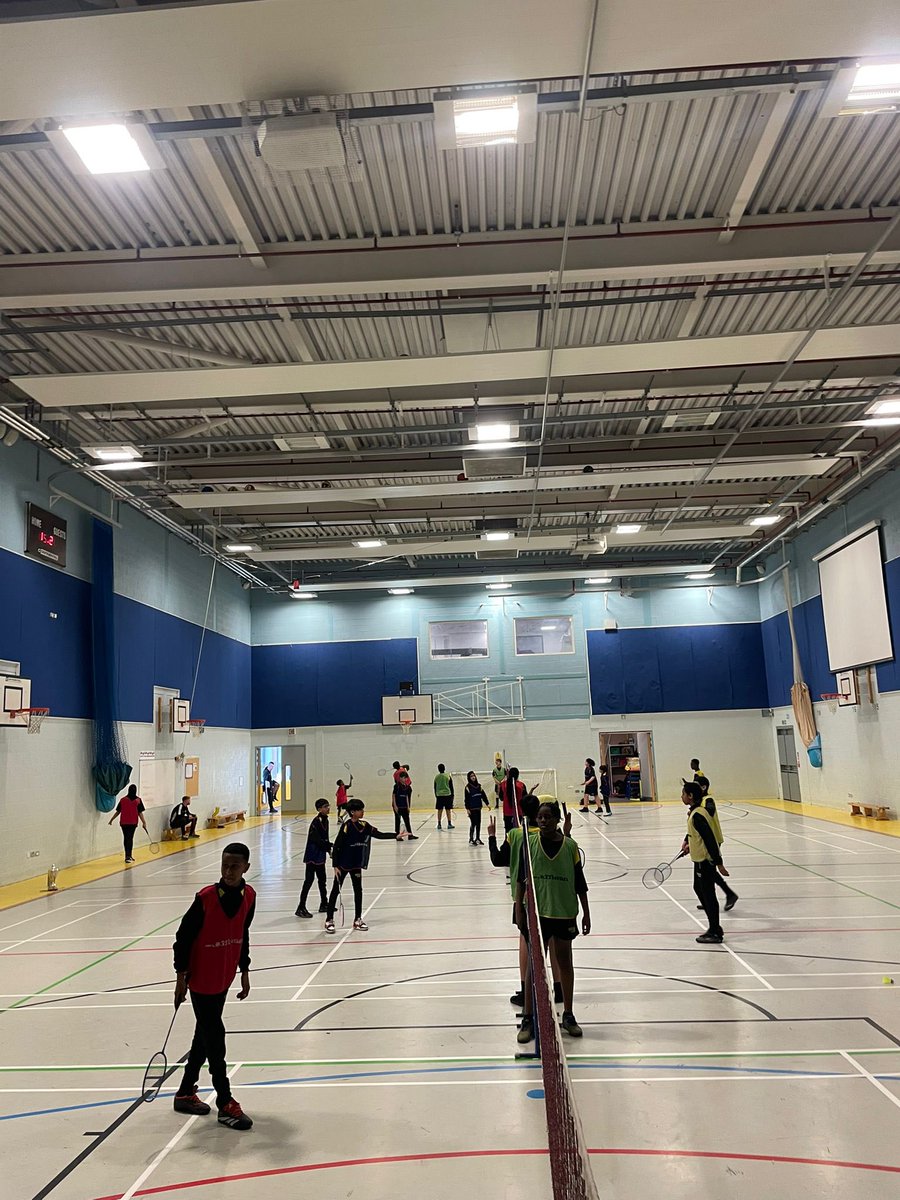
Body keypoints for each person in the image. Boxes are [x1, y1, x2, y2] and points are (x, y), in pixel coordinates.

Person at [171, 843, 255, 1130]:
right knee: (215, 1036)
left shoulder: (250, 896)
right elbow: (182, 939)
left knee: (203, 1035)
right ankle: (225, 1102)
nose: (228, 871)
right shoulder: (205, 898)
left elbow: (242, 931)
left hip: (225, 976)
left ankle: (184, 1092)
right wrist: (181, 978)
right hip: (202, 980)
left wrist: (244, 969)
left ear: (246, 867)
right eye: (224, 865)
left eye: (234, 866)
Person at [515, 801, 590, 1042]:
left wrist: (586, 912)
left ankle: (568, 1014)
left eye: (548, 816)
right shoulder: (528, 845)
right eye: (540, 817)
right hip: (538, 914)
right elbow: (520, 879)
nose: (543, 820)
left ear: (557, 819)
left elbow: (580, 882)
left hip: (564, 912)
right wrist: (518, 907)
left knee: (565, 962)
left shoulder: (570, 847)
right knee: (533, 967)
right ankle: (528, 1018)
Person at [487, 796, 566, 1008]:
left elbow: (498, 860)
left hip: (524, 897)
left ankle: (526, 989)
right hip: (549, 895)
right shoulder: (550, 834)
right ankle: (559, 988)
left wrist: (492, 838)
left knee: (525, 941)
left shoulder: (515, 835)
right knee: (552, 940)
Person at [325, 799, 404, 933]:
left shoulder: (364, 825)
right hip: (343, 864)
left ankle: (358, 919)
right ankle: (329, 920)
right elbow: (337, 846)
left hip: (356, 863)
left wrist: (395, 835)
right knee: (335, 891)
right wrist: (335, 866)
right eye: (360, 809)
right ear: (352, 812)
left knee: (358, 891)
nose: (363, 811)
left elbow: (378, 834)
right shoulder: (346, 826)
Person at [680, 781, 730, 944]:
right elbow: (697, 835)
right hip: (699, 859)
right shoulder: (695, 812)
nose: (681, 797)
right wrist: (688, 842)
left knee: (708, 894)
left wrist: (718, 863)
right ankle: (714, 926)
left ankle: (715, 930)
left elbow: (709, 839)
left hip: (705, 860)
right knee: (698, 888)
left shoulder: (698, 815)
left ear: (691, 796)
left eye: (683, 794)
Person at [691, 777, 738, 912]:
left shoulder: (707, 801)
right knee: (708, 874)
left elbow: (709, 811)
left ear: (704, 787)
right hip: (701, 842)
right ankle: (725, 896)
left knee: (707, 874)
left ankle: (722, 898)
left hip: (711, 840)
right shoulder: (698, 806)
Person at [295, 799, 332, 918]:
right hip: (313, 854)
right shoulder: (316, 822)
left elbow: (325, 838)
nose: (328, 808)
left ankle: (324, 903)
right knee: (309, 880)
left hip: (320, 854)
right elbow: (316, 839)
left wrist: (329, 849)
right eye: (325, 806)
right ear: (319, 809)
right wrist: (329, 846)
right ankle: (301, 907)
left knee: (322, 879)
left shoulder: (325, 820)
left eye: (328, 806)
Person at [108, 783, 148, 863]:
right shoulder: (138, 800)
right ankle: (128, 856)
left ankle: (128, 856)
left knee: (126, 838)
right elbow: (140, 813)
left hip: (124, 823)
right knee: (130, 838)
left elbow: (118, 811)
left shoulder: (123, 799)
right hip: (133, 823)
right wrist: (144, 822)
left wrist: (111, 820)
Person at [392, 767, 418, 839]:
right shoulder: (396, 786)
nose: (405, 779)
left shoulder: (406, 787)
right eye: (403, 778)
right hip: (398, 806)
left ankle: (410, 835)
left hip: (404, 806)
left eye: (405, 778)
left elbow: (407, 797)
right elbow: (393, 796)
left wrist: (408, 807)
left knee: (407, 821)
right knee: (397, 821)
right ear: (400, 778)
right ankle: (398, 836)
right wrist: (395, 806)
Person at [464, 770, 488, 845]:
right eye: (471, 776)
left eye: (474, 775)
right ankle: (471, 839)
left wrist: (487, 803)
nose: (473, 777)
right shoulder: (467, 788)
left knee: (478, 823)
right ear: (469, 778)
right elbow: (466, 799)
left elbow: (483, 795)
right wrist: (467, 809)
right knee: (473, 823)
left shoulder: (479, 786)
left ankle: (477, 838)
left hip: (478, 808)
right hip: (472, 809)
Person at [499, 765, 526, 832]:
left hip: (507, 812)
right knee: (517, 831)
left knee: (508, 832)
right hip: (518, 812)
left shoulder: (503, 785)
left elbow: (501, 798)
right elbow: (525, 799)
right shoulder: (521, 785)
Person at [433, 762, 455, 830]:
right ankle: (449, 824)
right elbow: (451, 787)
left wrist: (436, 795)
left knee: (440, 810)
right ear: (444, 768)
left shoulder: (436, 777)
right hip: (447, 795)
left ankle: (439, 824)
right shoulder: (448, 776)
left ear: (438, 769)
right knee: (448, 810)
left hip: (439, 795)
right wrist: (452, 795)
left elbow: (435, 787)